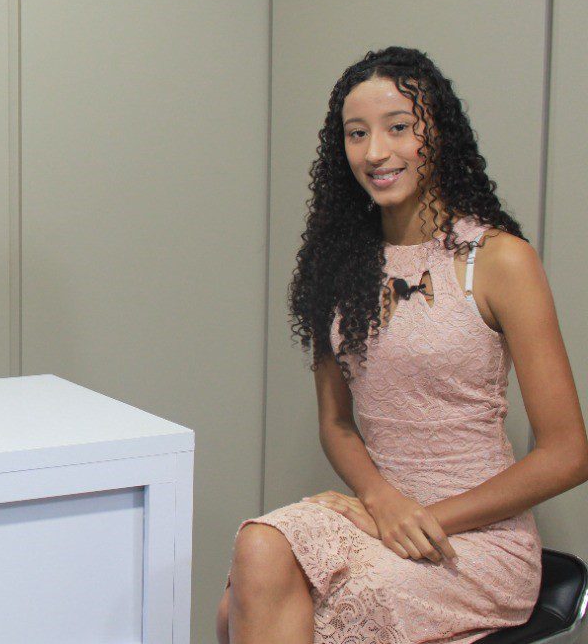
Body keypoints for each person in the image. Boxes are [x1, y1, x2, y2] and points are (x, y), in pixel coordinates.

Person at [218, 47, 588, 643]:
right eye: (357, 134)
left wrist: (416, 519)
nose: (375, 152)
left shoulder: (498, 260)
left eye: (398, 128)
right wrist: (381, 501)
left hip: (475, 539)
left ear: (438, 135)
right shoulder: (337, 265)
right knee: (257, 551)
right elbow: (337, 423)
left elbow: (568, 453)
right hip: (381, 512)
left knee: (285, 613)